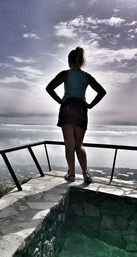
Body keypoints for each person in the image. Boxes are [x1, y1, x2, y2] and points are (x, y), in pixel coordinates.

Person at [46, 47, 106, 183]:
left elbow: (49, 88)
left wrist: (60, 100)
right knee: (79, 145)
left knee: (69, 144)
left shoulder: (65, 74)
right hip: (81, 109)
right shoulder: (87, 76)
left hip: (67, 108)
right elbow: (102, 92)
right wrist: (90, 105)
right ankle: (86, 174)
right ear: (81, 61)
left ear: (69, 61)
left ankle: (72, 175)